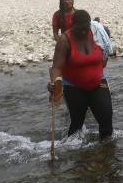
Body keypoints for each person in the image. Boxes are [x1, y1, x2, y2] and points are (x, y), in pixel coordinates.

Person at [48, 10, 113, 139]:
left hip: (98, 83)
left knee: (106, 120)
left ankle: (105, 153)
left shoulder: (96, 34)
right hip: (73, 87)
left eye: (85, 28)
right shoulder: (65, 40)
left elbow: (105, 56)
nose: (83, 32)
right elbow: (56, 67)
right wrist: (54, 83)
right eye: (80, 29)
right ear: (73, 24)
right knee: (77, 124)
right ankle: (72, 153)